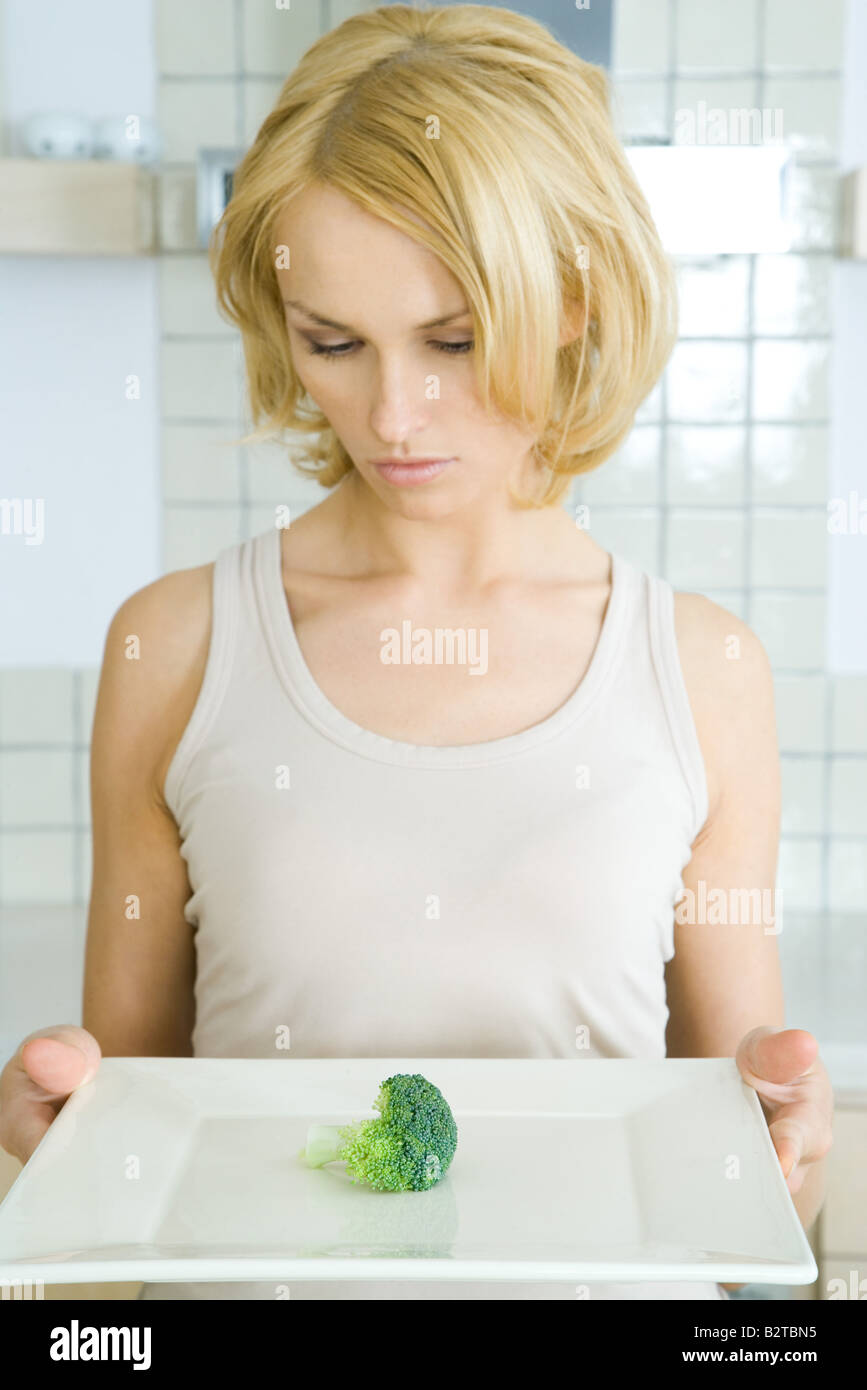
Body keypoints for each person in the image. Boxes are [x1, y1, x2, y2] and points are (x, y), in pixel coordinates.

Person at [0, 3, 832, 1301]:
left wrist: (793, 1154)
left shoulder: (702, 670)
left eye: (451, 341)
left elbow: (751, 1188)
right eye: (335, 342)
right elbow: (129, 1138)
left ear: (575, 300)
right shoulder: (173, 647)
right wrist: (62, 1153)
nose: (393, 414)